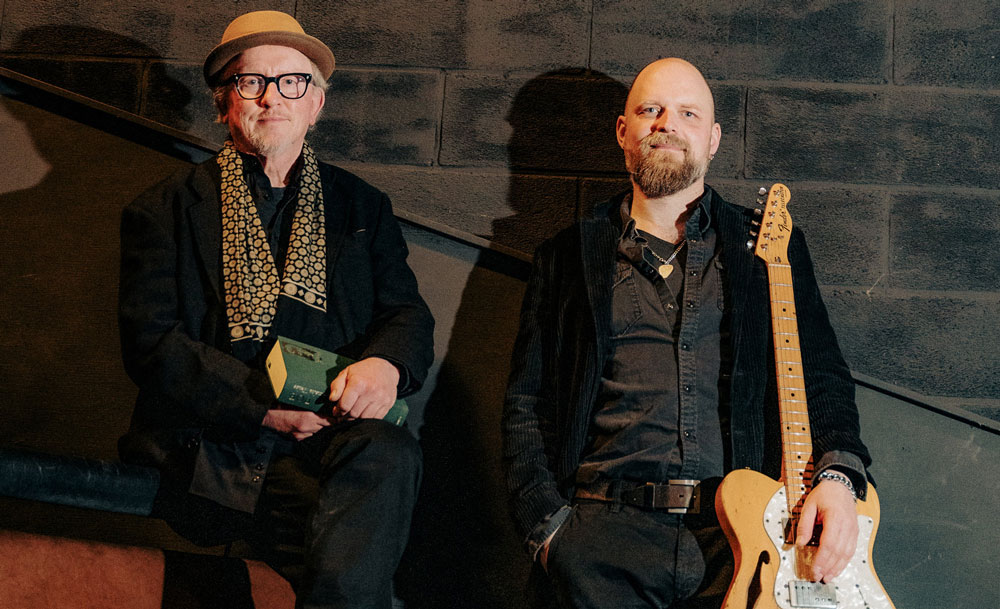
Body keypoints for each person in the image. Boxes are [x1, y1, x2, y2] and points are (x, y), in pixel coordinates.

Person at [501, 57, 871, 608]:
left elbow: (821, 378)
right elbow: (526, 405)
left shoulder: (770, 249)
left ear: (713, 139)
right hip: (601, 543)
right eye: (650, 110)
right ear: (623, 131)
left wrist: (839, 480)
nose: (666, 124)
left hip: (743, 542)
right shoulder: (566, 256)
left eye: (687, 113)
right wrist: (549, 532)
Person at [117, 10, 434, 608]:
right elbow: (151, 343)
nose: (272, 98)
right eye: (252, 82)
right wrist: (263, 410)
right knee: (342, 544)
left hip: (328, 438)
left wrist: (385, 366)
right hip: (219, 443)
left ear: (316, 103)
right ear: (224, 103)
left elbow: (406, 315)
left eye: (292, 81)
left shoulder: (362, 206)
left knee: (390, 453)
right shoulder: (163, 209)